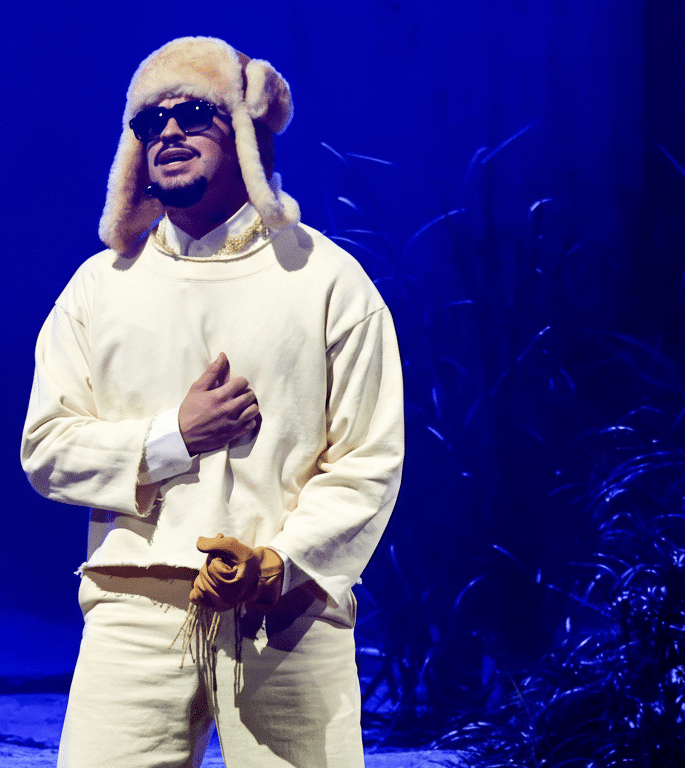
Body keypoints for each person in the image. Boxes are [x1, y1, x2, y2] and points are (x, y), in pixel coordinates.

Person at [21, 36, 404, 767]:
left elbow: (368, 460)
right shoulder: (100, 289)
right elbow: (46, 448)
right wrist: (174, 437)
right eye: (148, 121)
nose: (167, 131)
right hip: (135, 609)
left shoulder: (326, 280)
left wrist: (277, 564)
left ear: (247, 129)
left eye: (194, 112)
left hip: (288, 614)